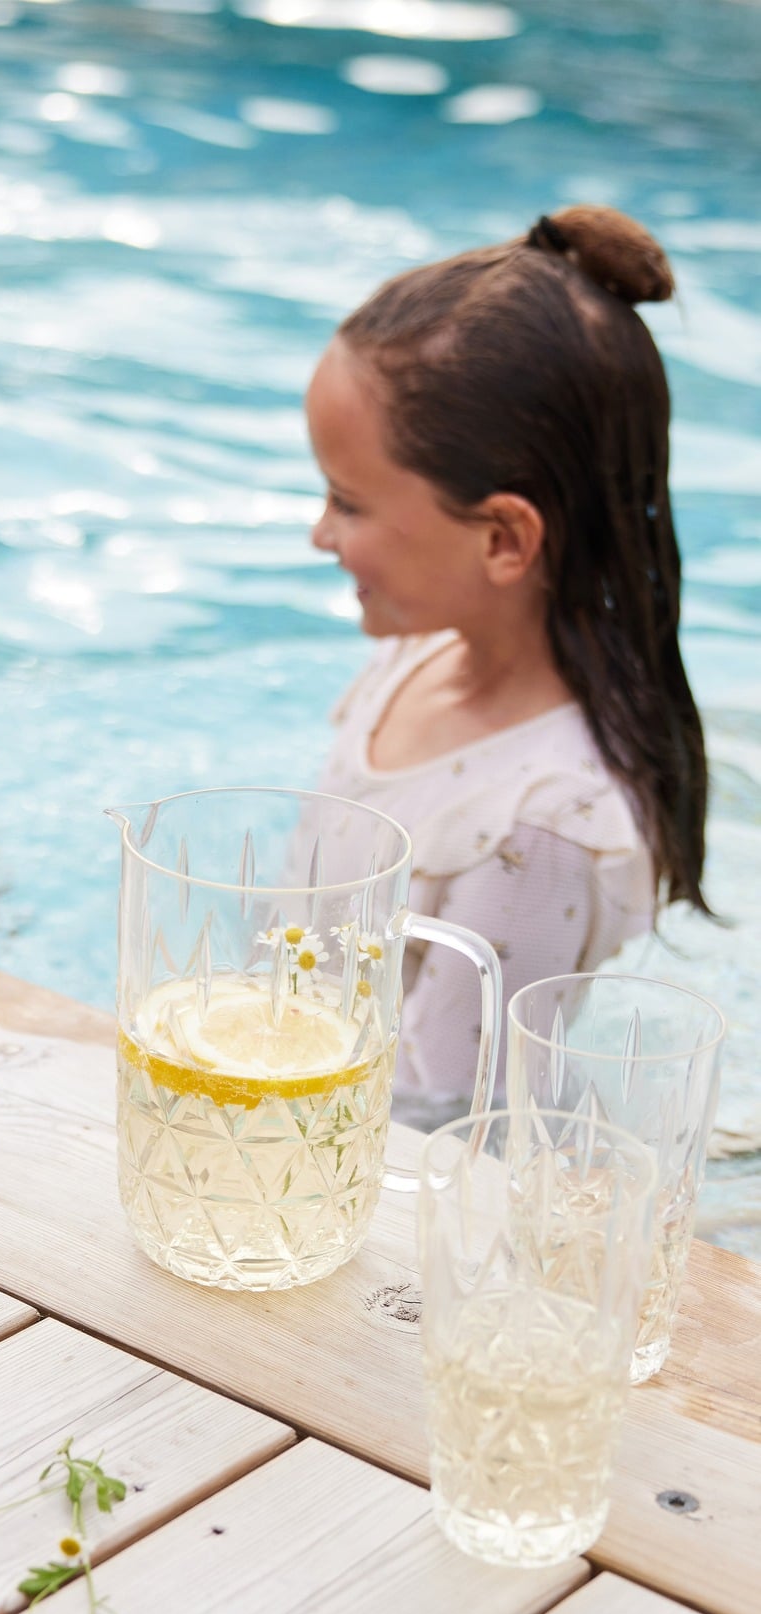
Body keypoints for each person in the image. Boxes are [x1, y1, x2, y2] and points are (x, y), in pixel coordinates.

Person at [304, 205, 708, 1125]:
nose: (320, 533)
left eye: (347, 502)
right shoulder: (416, 653)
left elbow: (446, 1116)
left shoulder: (543, 828)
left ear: (501, 539)